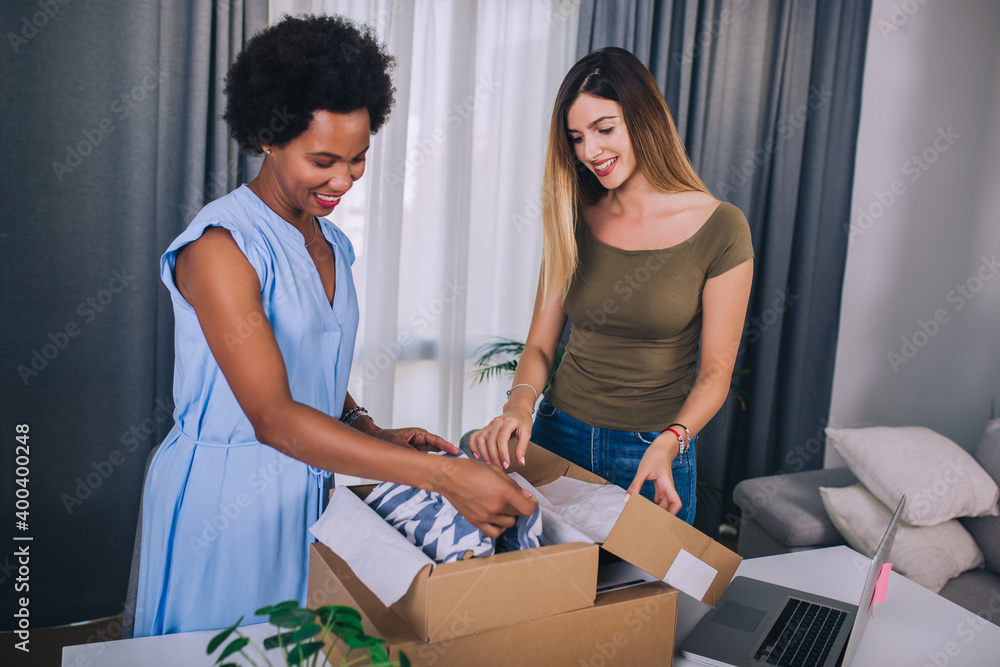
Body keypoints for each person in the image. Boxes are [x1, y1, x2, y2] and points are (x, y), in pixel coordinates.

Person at [130, 15, 535, 637]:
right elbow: (272, 416)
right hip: (226, 502)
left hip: (305, 490)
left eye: (358, 158)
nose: (343, 181)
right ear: (269, 138)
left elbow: (302, 357)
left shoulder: (331, 243)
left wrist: (364, 426)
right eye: (323, 160)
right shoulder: (220, 248)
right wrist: (446, 476)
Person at [469, 47, 753, 525]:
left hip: (651, 451)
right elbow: (540, 344)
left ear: (644, 119)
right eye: (577, 138)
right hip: (557, 435)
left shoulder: (721, 227)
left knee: (647, 577)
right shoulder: (573, 216)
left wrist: (671, 442)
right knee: (549, 572)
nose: (589, 152)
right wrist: (518, 407)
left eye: (604, 129)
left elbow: (715, 374)